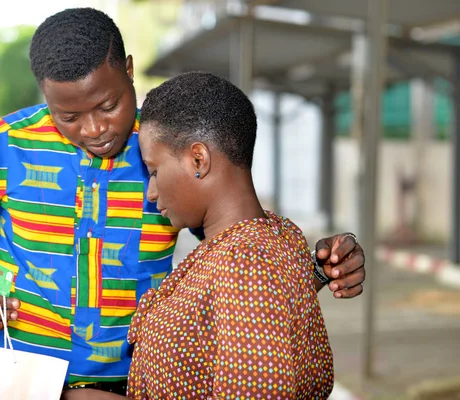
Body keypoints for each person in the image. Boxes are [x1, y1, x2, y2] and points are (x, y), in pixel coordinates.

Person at [0, 7, 364, 396]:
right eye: (69, 117)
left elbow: (237, 249)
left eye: (108, 104)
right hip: (16, 380)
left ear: (129, 70)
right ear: (46, 97)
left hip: (135, 385)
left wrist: (310, 265)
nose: (94, 129)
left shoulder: (166, 147)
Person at [62, 72, 334, 400]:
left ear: (198, 159)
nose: (151, 191)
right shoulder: (274, 238)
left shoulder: (244, 262)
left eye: (154, 171)